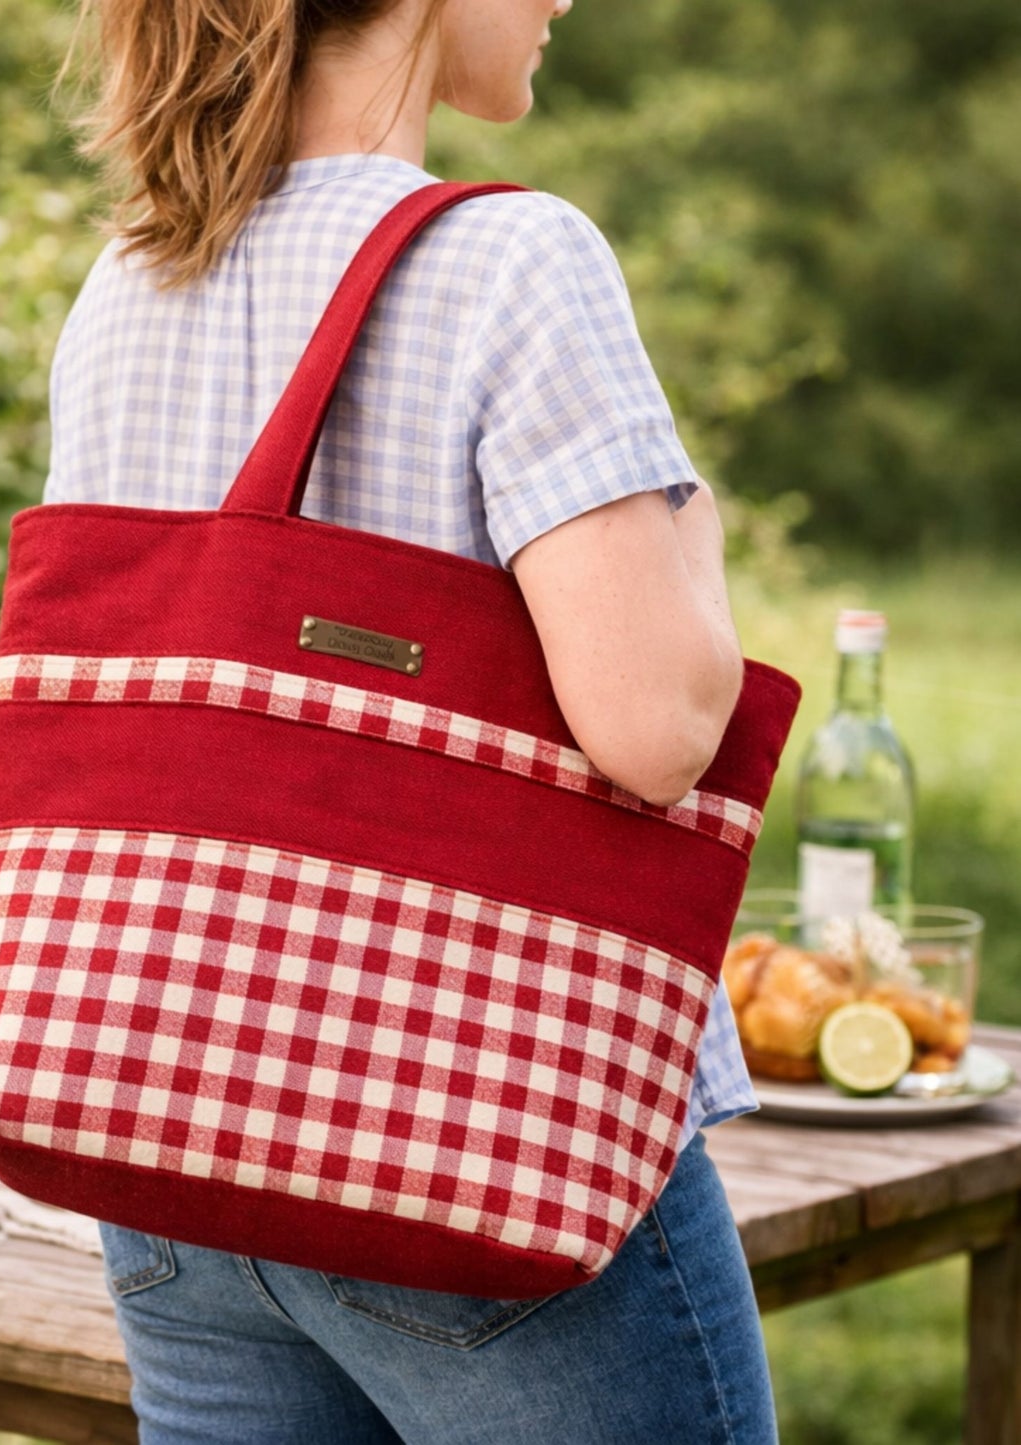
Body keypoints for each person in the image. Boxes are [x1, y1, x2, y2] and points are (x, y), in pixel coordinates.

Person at [41, 1, 777, 1440]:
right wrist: (693, 528)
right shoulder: (512, 256)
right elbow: (657, 725)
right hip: (473, 1131)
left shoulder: (125, 282)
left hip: (169, 1134)